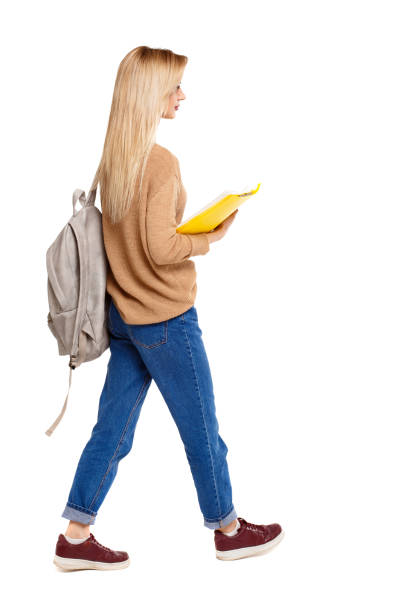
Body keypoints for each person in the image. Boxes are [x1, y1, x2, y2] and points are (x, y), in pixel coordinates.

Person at [53, 45, 284, 571]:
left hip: (125, 317)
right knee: (201, 425)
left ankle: (75, 535)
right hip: (164, 318)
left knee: (111, 429)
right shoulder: (160, 162)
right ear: (150, 94)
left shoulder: (114, 155)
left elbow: (129, 240)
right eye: (174, 87)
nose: (182, 95)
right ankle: (228, 528)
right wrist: (210, 236)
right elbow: (160, 248)